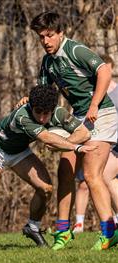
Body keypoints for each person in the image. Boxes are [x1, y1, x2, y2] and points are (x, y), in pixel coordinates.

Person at [0, 85, 96, 248]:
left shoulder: (58, 113)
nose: (41, 118)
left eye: (45, 113)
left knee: (46, 188)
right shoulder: (22, 115)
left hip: (19, 152)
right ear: (31, 107)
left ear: (53, 109)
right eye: (37, 112)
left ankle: (33, 227)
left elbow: (84, 133)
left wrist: (68, 143)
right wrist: (75, 147)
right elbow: (47, 137)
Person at [31, 11, 118, 250]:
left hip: (102, 115)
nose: (45, 41)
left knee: (91, 175)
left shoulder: (75, 50)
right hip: (78, 119)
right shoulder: (47, 62)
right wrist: (29, 104)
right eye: (41, 37)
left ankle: (109, 231)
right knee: (65, 170)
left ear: (60, 33)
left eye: (49, 35)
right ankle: (63, 230)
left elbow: (104, 71)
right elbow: (44, 94)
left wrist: (93, 104)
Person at [73, 54, 118, 232]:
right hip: (102, 141)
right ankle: (81, 223)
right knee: (99, 177)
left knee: (103, 176)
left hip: (115, 142)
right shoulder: (91, 93)